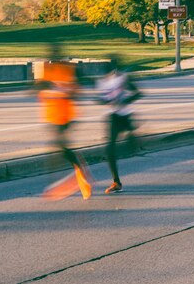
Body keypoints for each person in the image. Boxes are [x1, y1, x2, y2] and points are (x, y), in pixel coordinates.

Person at [37, 44, 92, 200]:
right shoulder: (46, 71)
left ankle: (78, 171)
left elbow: (77, 91)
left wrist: (64, 91)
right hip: (51, 115)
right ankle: (73, 173)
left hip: (66, 115)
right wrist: (53, 91)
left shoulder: (69, 69)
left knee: (59, 145)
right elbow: (36, 89)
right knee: (57, 147)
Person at [96, 55, 142, 194]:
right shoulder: (102, 82)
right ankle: (116, 182)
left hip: (125, 116)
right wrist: (102, 100)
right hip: (114, 116)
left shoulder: (123, 78)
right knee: (110, 151)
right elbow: (104, 98)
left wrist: (124, 101)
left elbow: (138, 93)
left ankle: (132, 136)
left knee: (128, 148)